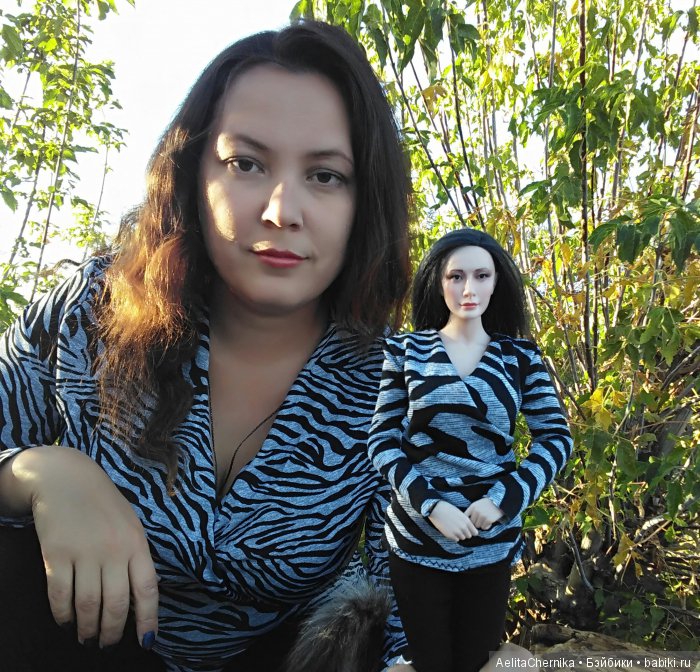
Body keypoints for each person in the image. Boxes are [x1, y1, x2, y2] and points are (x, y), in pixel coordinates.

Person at [0, 21, 413, 672]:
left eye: (325, 175)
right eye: (247, 164)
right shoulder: (91, 312)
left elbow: (412, 589)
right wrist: (42, 473)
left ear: (367, 201)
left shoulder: (400, 385)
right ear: (193, 172)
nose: (281, 210)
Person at [368, 228, 574, 672]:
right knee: (429, 662)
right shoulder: (405, 350)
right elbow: (382, 441)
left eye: (481, 276)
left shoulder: (521, 357)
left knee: (477, 661)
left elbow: (557, 439)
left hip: (491, 539)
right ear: (438, 281)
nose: (468, 289)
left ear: (497, 281)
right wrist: (430, 505)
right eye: (456, 276)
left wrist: (503, 500)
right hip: (417, 538)